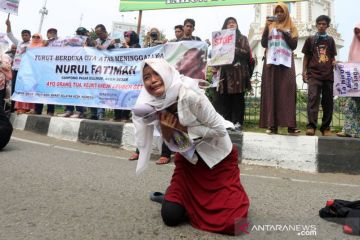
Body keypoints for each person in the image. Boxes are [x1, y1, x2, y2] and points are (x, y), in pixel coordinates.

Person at [132, 58, 249, 235]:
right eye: (147, 77)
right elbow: (177, 144)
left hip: (217, 160)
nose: (152, 80)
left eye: (157, 73)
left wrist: (183, 128)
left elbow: (219, 130)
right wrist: (169, 131)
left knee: (236, 225)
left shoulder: (190, 94)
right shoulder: (152, 106)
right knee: (170, 216)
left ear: (167, 73)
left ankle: (209, 200)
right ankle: (181, 198)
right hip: (189, 162)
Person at [259, 2, 300, 135]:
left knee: (287, 93)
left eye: (281, 11)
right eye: (276, 11)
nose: (278, 14)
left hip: (286, 64)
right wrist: (266, 26)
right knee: (271, 92)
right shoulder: (270, 26)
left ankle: (291, 126)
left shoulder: (292, 27)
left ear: (286, 13)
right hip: (271, 64)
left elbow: (293, 45)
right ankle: (272, 125)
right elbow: (264, 43)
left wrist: (284, 32)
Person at [213, 17, 252, 130]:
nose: (231, 24)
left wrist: (233, 48)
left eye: (233, 22)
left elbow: (246, 53)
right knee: (224, 99)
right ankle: (227, 123)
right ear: (225, 26)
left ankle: (238, 123)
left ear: (237, 25)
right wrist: (215, 67)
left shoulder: (242, 38)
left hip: (238, 73)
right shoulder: (220, 39)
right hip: (225, 73)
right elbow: (217, 55)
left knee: (237, 99)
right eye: (228, 23)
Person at [302, 15, 337, 136]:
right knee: (313, 99)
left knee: (328, 102)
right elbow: (306, 56)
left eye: (324, 24)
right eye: (319, 24)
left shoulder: (330, 40)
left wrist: (334, 62)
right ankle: (311, 126)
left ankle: (325, 128)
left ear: (327, 26)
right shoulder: (310, 39)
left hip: (328, 75)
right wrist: (303, 71)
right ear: (316, 25)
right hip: (314, 74)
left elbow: (332, 56)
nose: (321, 26)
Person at [58, 27, 90, 118]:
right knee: (68, 89)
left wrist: (86, 43)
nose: (79, 35)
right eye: (78, 33)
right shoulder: (71, 40)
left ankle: (81, 111)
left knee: (79, 90)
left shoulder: (87, 41)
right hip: (70, 68)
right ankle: (69, 110)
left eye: (81, 33)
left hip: (81, 69)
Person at [336, 23, 360, 138]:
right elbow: (350, 65)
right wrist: (340, 64)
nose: (359, 34)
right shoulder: (353, 48)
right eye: (357, 32)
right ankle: (349, 130)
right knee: (351, 106)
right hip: (355, 85)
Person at [34, 28, 65, 116]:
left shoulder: (61, 41)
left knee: (51, 90)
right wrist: (44, 45)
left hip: (54, 70)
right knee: (40, 89)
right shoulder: (43, 42)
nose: (52, 34)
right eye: (50, 33)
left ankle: (50, 111)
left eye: (54, 33)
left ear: (56, 34)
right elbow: (36, 53)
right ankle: (38, 109)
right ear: (47, 34)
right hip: (43, 70)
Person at [5, 17, 31, 113]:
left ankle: (24, 107)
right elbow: (9, 35)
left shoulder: (32, 44)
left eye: (26, 35)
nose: (24, 37)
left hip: (24, 70)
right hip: (15, 69)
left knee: (23, 88)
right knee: (14, 88)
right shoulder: (19, 43)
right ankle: (13, 107)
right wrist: (8, 25)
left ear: (29, 36)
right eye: (23, 35)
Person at [14, 33, 44, 114]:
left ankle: (32, 108)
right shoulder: (28, 46)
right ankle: (22, 107)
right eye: (34, 36)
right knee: (24, 89)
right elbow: (21, 55)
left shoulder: (43, 46)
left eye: (38, 37)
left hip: (36, 72)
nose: (36, 38)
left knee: (33, 90)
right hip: (26, 71)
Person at [88, 24, 113, 120]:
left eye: (100, 33)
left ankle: (101, 113)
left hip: (107, 71)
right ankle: (93, 113)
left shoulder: (113, 40)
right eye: (97, 34)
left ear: (105, 31)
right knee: (93, 91)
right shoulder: (96, 41)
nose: (99, 35)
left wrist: (103, 47)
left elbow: (116, 51)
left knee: (102, 92)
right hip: (95, 70)